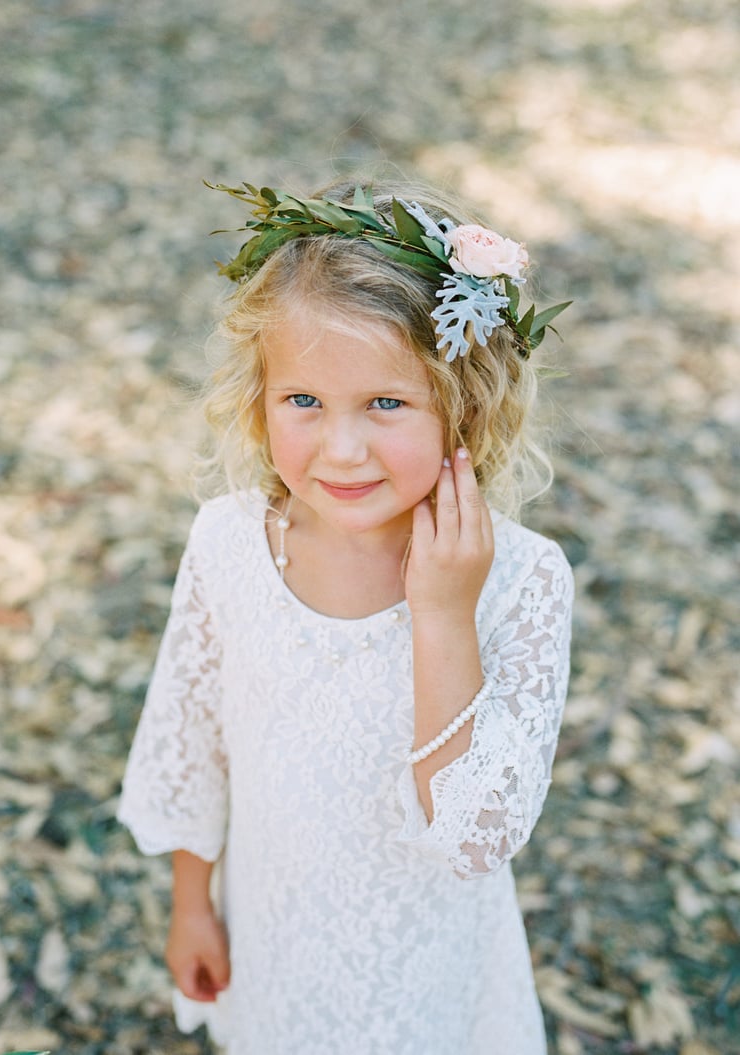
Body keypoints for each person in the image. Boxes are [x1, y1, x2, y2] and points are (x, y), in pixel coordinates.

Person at [118, 177, 574, 1054]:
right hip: (275, 936)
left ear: (464, 406)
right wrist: (191, 904)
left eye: (387, 403)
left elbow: (476, 836)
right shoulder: (228, 545)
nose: (342, 448)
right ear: (259, 399)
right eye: (304, 402)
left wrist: (443, 614)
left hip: (427, 969)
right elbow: (193, 734)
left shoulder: (524, 581)